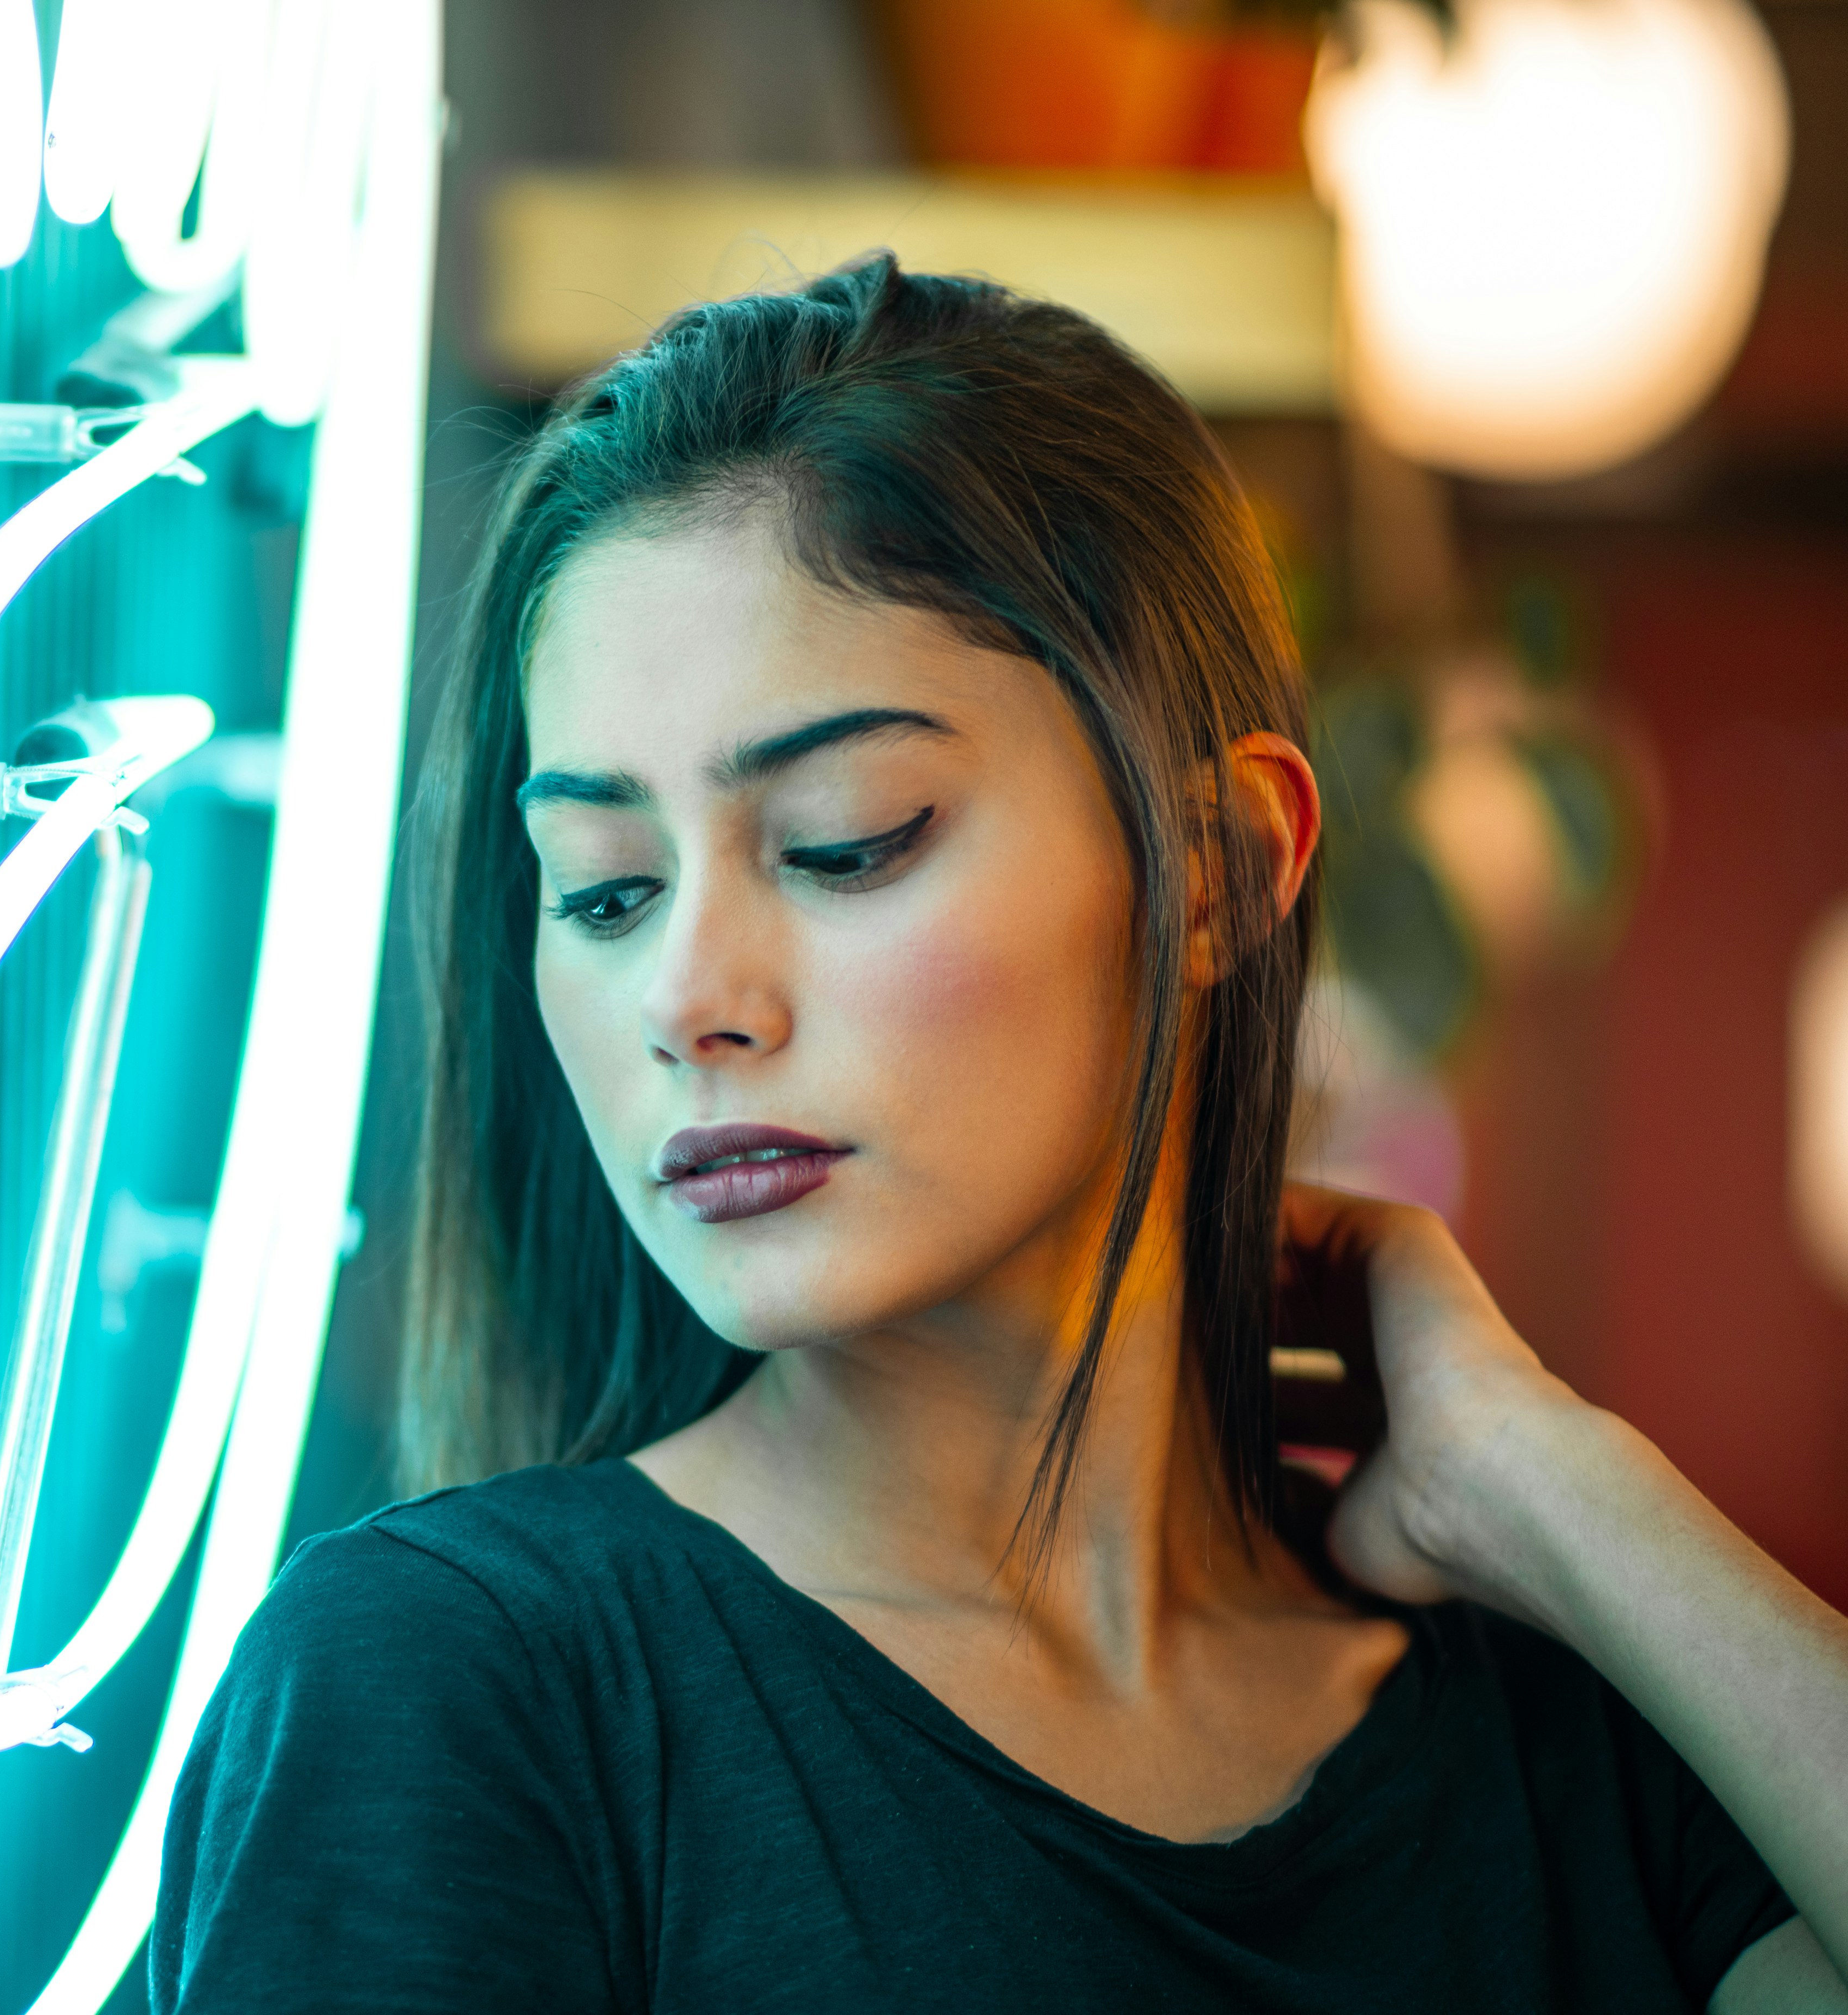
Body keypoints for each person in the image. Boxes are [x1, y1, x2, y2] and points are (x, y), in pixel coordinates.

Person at [147, 257, 1848, 2012]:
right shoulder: (456, 1689)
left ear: (1217, 873)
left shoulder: (1568, 1730)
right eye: (605, 891)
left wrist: (1551, 1483)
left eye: (843, 840)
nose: (687, 995)